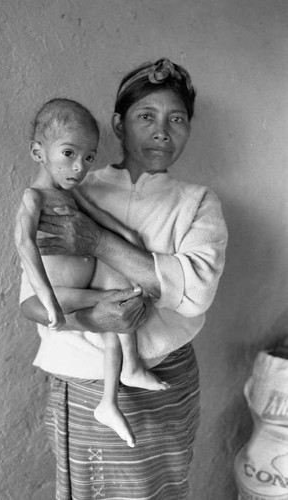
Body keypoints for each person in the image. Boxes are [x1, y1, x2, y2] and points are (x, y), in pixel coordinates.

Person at [20, 58, 228, 499]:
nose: (162, 131)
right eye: (145, 116)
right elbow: (35, 302)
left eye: (177, 119)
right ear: (118, 123)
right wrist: (95, 318)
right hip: (84, 377)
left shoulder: (197, 203)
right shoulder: (72, 189)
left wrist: (97, 242)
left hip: (168, 378)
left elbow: (195, 293)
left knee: (163, 489)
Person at [15, 98, 167, 449]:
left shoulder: (74, 195)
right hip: (56, 293)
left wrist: (130, 238)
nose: (79, 167)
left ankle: (110, 400)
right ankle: (126, 375)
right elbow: (25, 247)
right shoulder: (33, 198)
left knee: (115, 324)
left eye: (88, 158)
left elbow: (100, 218)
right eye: (69, 153)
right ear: (38, 152)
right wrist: (49, 300)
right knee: (123, 302)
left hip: (78, 291)